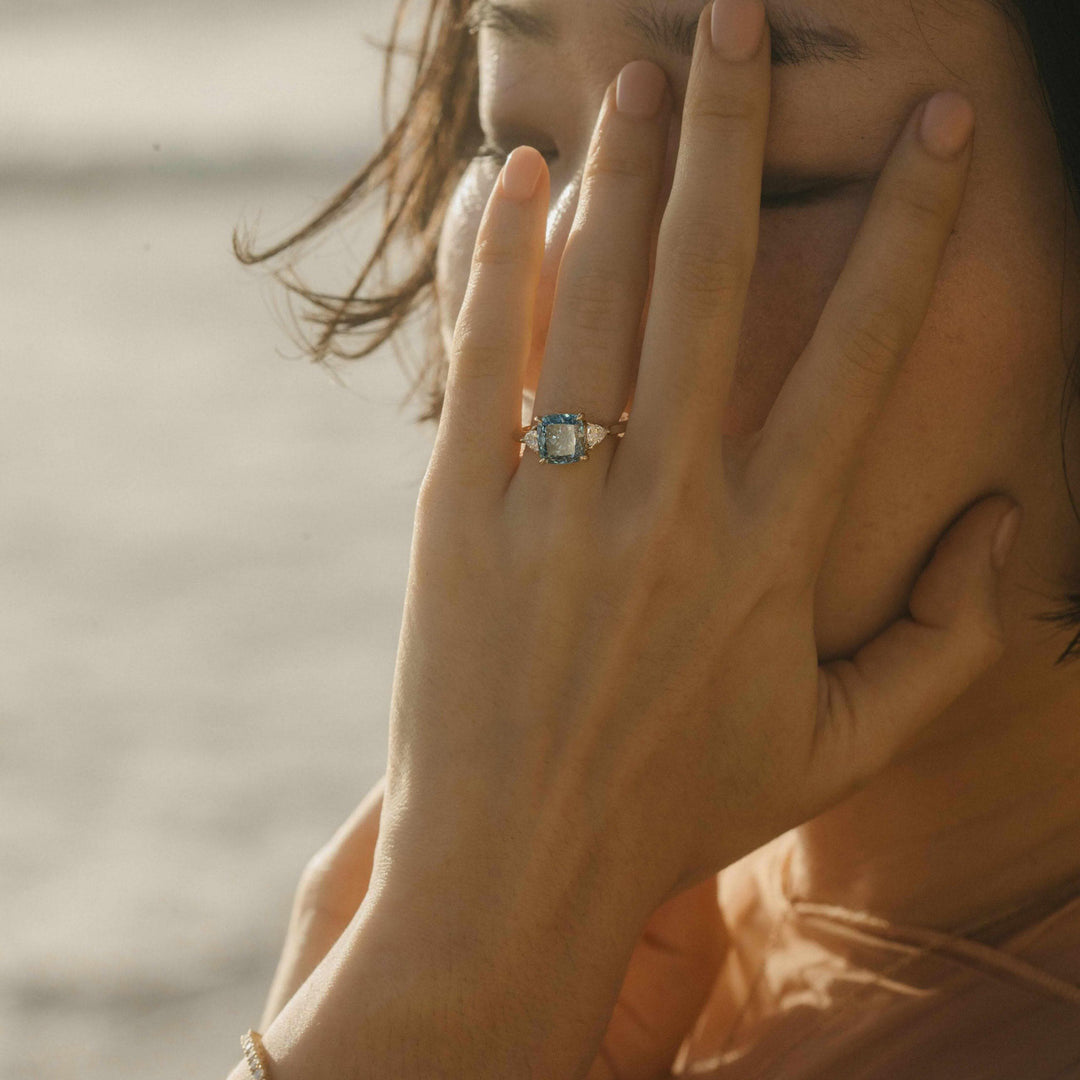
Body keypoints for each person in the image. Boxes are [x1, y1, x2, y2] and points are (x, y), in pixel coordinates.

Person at [228, 0, 1080, 1075]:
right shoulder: (642, 948)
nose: (558, 296)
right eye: (516, 143)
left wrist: (444, 982)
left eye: (770, 173)